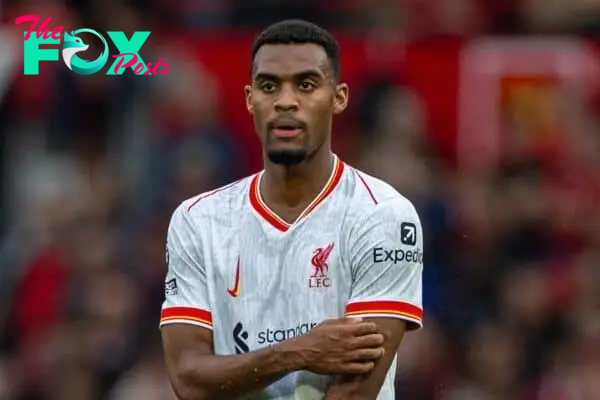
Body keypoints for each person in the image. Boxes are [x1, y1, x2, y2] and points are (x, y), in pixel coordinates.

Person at [159, 19, 424, 400]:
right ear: (250, 99)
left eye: (306, 84)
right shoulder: (197, 220)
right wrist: (297, 352)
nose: (285, 100)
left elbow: (355, 393)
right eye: (269, 86)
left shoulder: (383, 215)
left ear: (339, 97)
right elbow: (187, 378)